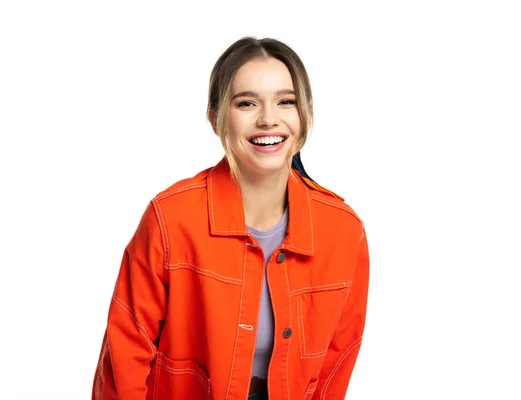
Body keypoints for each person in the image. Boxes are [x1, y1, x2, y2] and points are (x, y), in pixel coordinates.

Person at [91, 37, 369, 400]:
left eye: (286, 101)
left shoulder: (343, 231)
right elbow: (124, 357)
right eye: (247, 103)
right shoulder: (171, 219)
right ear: (216, 118)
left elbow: (336, 368)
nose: (269, 118)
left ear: (306, 115)